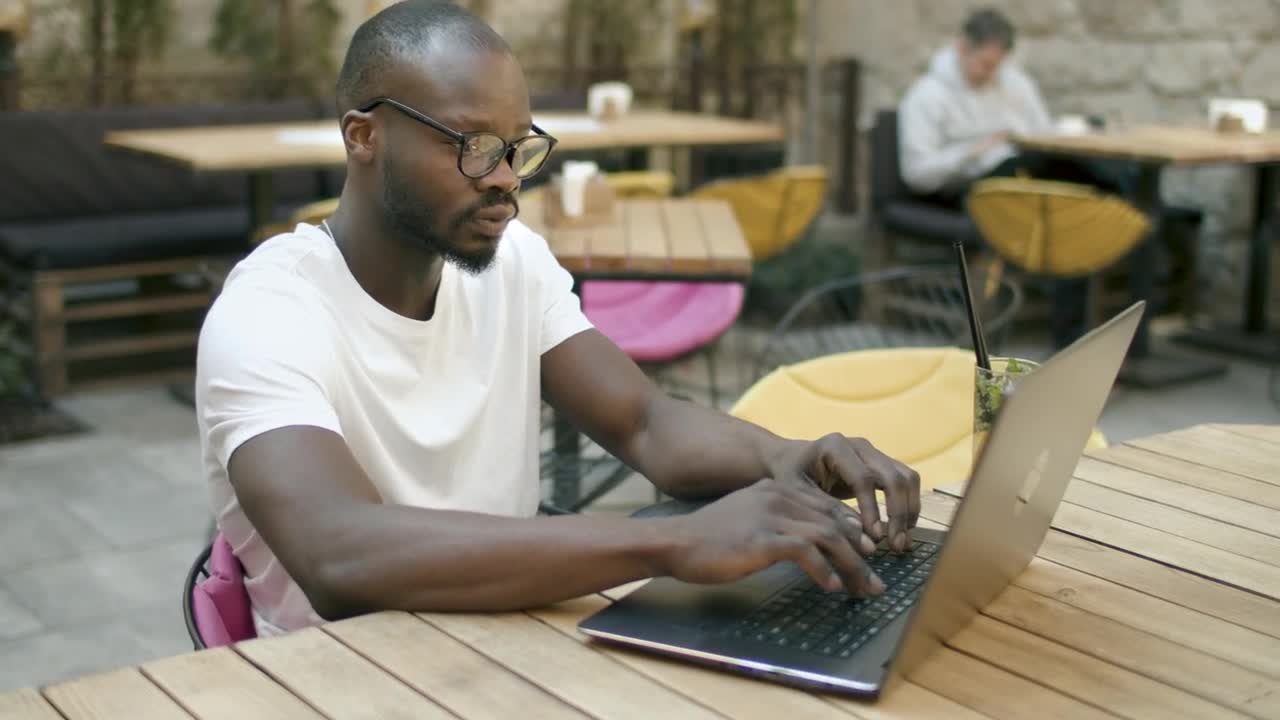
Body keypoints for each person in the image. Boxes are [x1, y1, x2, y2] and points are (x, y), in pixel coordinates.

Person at [196, 0, 921, 639]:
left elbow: (643, 422)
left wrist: (784, 456)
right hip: (337, 680)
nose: (507, 178)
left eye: (518, 148)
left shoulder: (513, 264)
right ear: (364, 136)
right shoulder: (267, 315)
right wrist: (672, 544)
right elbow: (339, 553)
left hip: (501, 642)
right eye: (474, 147)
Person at [899, 8, 1133, 347]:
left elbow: (1043, 136)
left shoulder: (1015, 84)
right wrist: (974, 151)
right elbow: (918, 173)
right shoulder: (926, 95)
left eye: (997, 65)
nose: (990, 73)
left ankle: (1073, 341)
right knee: (1043, 191)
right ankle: (991, 347)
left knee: (1080, 207)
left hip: (1025, 176)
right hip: (971, 186)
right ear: (962, 47)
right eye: (984, 64)